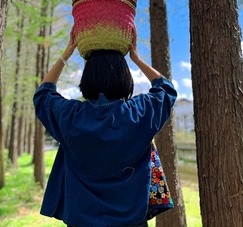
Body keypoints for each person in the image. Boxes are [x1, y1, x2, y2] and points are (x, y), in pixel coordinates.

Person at [33, 28, 177, 227]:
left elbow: (43, 94)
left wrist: (66, 54)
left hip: (81, 221)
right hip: (132, 221)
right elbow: (166, 89)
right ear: (125, 77)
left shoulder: (70, 115)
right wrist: (136, 58)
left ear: (87, 78)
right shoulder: (139, 112)